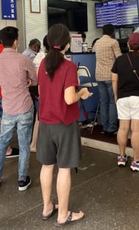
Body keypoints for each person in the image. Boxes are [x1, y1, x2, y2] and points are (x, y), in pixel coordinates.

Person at [37, 23, 90, 226]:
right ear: (67, 44)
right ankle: (63, 214)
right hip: (64, 123)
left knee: (47, 165)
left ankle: (47, 207)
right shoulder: (68, 66)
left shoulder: (43, 64)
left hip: (45, 122)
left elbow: (42, 94)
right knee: (65, 168)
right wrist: (82, 93)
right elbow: (69, 99)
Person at [0, 27, 37, 191]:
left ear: (1, 41)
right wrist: (28, 81)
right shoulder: (23, 59)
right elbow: (35, 80)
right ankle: (22, 180)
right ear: (16, 41)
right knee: (24, 145)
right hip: (24, 106)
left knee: (2, 144)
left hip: (8, 107)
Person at [112, 32, 139, 171]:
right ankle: (137, 161)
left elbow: (114, 79)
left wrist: (116, 95)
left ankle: (121, 156)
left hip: (122, 97)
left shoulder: (119, 60)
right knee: (136, 131)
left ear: (128, 44)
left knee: (123, 128)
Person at [93, 24, 121, 135]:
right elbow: (119, 58)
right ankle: (112, 128)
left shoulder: (97, 43)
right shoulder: (114, 42)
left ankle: (105, 127)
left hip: (99, 76)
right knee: (113, 102)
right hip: (111, 76)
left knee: (103, 102)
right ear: (112, 32)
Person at [30, 35, 49, 152]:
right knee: (40, 117)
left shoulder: (40, 57)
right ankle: (34, 144)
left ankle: (34, 144)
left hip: (41, 92)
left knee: (39, 117)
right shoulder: (43, 57)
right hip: (44, 93)